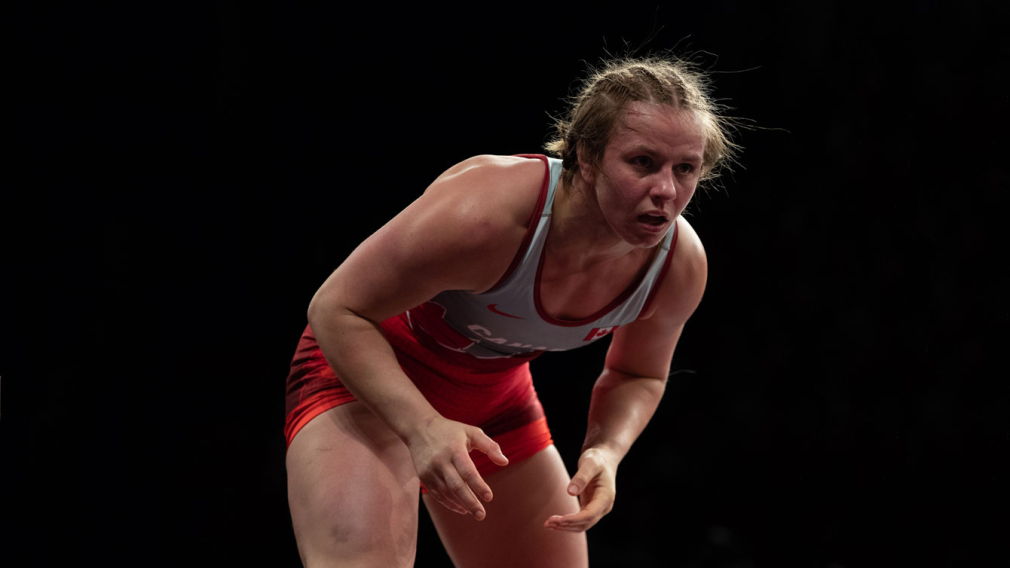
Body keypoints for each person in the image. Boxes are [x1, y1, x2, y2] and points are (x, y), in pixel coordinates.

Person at [284, 56, 738, 568]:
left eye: (685, 169)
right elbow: (337, 309)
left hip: (492, 400)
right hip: (362, 380)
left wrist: (605, 451)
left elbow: (636, 374)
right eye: (642, 162)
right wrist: (421, 425)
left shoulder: (677, 265)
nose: (667, 191)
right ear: (586, 155)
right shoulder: (486, 215)